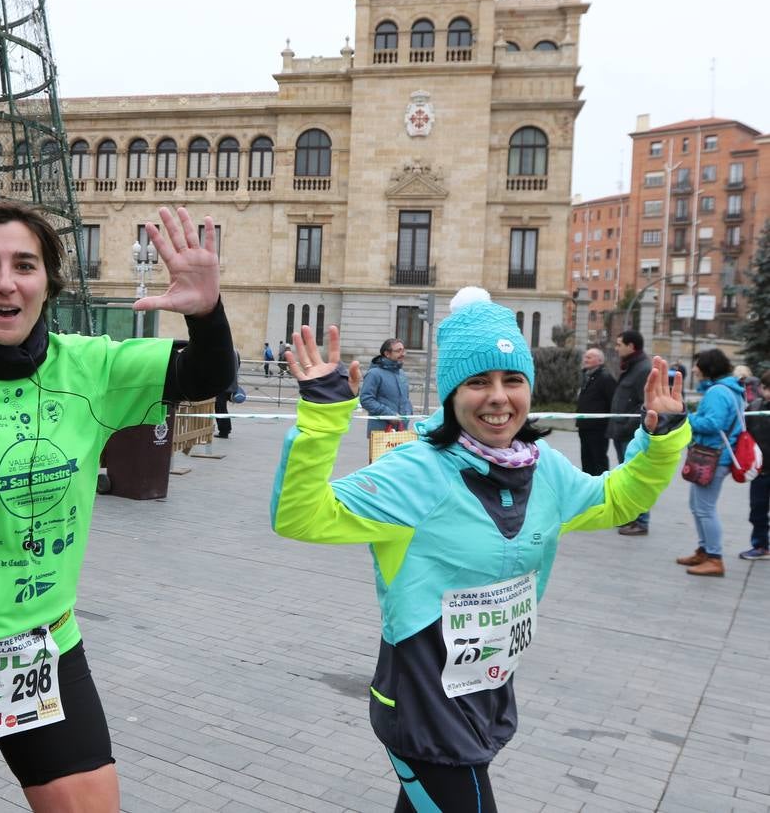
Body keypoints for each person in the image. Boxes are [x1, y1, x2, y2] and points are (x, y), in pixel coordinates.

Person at [0, 202, 234, 812]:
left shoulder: (90, 367)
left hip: (46, 647)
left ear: (47, 283)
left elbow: (207, 373)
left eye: (24, 265)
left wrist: (207, 311)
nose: (5, 281)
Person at [270, 286, 688, 813]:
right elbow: (299, 516)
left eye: (513, 380)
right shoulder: (416, 472)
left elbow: (614, 499)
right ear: (451, 394)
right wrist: (323, 419)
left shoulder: (545, 469)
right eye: (478, 382)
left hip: (486, 694)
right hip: (424, 711)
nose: (498, 397)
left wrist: (664, 437)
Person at [679, 348, 743, 577]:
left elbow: (713, 424)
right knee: (698, 506)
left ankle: (714, 558)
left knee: (705, 508)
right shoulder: (730, 389)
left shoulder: (717, 392)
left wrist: (686, 418)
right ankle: (704, 550)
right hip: (716, 455)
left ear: (709, 367)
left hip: (714, 457)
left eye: (698, 365)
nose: (694, 369)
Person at [609, 329, 654, 535]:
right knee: (628, 476)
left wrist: (627, 425)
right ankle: (631, 517)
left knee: (636, 477)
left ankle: (642, 521)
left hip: (631, 433)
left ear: (631, 346)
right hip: (622, 432)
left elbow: (643, 404)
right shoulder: (631, 367)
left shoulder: (643, 368)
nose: (616, 348)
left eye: (619, 344)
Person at [740, 376, 770, 561]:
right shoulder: (755, 407)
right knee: (757, 509)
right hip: (761, 470)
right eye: (766, 388)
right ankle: (761, 545)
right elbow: (744, 432)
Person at [576, 346, 616, 476]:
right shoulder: (587, 376)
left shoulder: (605, 378)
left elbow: (612, 401)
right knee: (586, 458)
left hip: (598, 428)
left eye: (589, 357)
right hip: (584, 426)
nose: (585, 359)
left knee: (598, 459)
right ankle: (588, 485)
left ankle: (602, 487)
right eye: (585, 356)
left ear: (599, 361)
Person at [360, 338, 413, 435]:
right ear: (387, 354)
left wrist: (408, 413)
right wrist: (389, 415)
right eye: (398, 351)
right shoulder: (374, 373)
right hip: (381, 431)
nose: (402, 354)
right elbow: (366, 399)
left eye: (403, 350)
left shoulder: (401, 373)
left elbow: (405, 399)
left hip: (402, 430)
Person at [215, 350, 242, 438]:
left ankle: (224, 431)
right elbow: (239, 364)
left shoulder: (223, 352)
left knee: (220, 407)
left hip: (223, 385)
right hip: (231, 383)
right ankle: (226, 429)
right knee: (222, 407)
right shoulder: (235, 351)